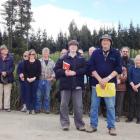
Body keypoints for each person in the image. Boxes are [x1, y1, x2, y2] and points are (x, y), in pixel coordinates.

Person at [86, 34, 122, 136]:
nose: (105, 42)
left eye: (107, 40)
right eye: (103, 41)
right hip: (96, 84)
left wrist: (107, 79)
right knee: (94, 106)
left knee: (110, 106)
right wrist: (99, 79)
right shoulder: (95, 53)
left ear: (110, 42)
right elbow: (90, 67)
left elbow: (119, 68)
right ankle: (93, 125)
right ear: (101, 42)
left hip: (109, 84)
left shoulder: (116, 53)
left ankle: (111, 127)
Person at [54, 40, 86, 131]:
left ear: (77, 47)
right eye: (71, 45)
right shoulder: (62, 58)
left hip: (78, 85)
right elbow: (56, 70)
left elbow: (85, 69)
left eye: (75, 45)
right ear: (68, 47)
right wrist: (65, 73)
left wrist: (75, 72)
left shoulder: (81, 58)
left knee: (78, 106)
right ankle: (65, 124)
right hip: (65, 85)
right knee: (63, 105)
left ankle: (79, 124)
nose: (73, 47)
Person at [36, 48, 55, 114]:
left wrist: (52, 77)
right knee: (38, 95)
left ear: (49, 53)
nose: (45, 53)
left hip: (48, 81)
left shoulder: (52, 62)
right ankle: (38, 109)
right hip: (40, 80)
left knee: (47, 96)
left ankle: (47, 109)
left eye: (47, 52)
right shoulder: (38, 61)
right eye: (44, 52)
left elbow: (54, 71)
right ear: (42, 53)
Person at [23, 49, 41, 114]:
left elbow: (39, 72)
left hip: (35, 80)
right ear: (29, 55)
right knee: (28, 94)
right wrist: (27, 78)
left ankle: (33, 109)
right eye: (30, 54)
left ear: (35, 55)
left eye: (33, 54)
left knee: (34, 94)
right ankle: (28, 109)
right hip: (27, 80)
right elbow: (24, 71)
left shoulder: (38, 62)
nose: (32, 55)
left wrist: (34, 78)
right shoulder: (26, 62)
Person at [125, 55, 140, 124]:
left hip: (139, 87)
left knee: (138, 103)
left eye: (139, 60)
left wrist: (137, 86)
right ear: (135, 61)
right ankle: (130, 117)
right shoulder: (131, 68)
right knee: (131, 102)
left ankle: (138, 118)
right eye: (137, 60)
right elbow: (129, 78)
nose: (138, 61)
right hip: (131, 87)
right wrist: (133, 86)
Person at [0, 45, 14, 112]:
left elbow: (12, 68)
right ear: (1, 50)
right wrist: (1, 72)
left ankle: (7, 107)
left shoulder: (11, 58)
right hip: (0, 77)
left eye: (6, 49)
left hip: (8, 78)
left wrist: (6, 72)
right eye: (4, 49)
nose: (6, 50)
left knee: (7, 93)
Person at [120, 46, 134, 115]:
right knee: (119, 99)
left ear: (129, 52)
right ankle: (119, 112)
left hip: (130, 83)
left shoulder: (132, 62)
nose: (125, 53)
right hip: (120, 83)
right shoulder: (118, 60)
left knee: (129, 98)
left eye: (126, 51)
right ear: (121, 52)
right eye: (124, 51)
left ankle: (127, 113)